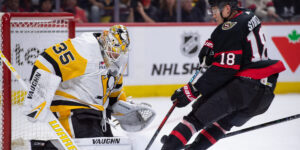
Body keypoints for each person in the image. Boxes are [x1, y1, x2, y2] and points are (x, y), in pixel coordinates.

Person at [161, 0, 286, 149]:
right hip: (263, 95)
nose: (213, 15)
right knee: (221, 125)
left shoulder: (229, 28)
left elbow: (224, 69)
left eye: (214, 11)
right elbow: (238, 38)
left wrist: (193, 90)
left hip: (243, 88)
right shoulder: (248, 15)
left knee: (193, 121)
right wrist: (213, 43)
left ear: (227, 9)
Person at [22, 25, 155, 148]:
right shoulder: (84, 47)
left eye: (120, 51)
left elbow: (114, 92)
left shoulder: (118, 58)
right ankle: (38, 148)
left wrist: (126, 109)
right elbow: (46, 61)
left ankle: (37, 147)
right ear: (106, 42)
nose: (116, 55)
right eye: (114, 51)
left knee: (112, 147)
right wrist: (35, 100)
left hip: (98, 114)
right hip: (73, 109)